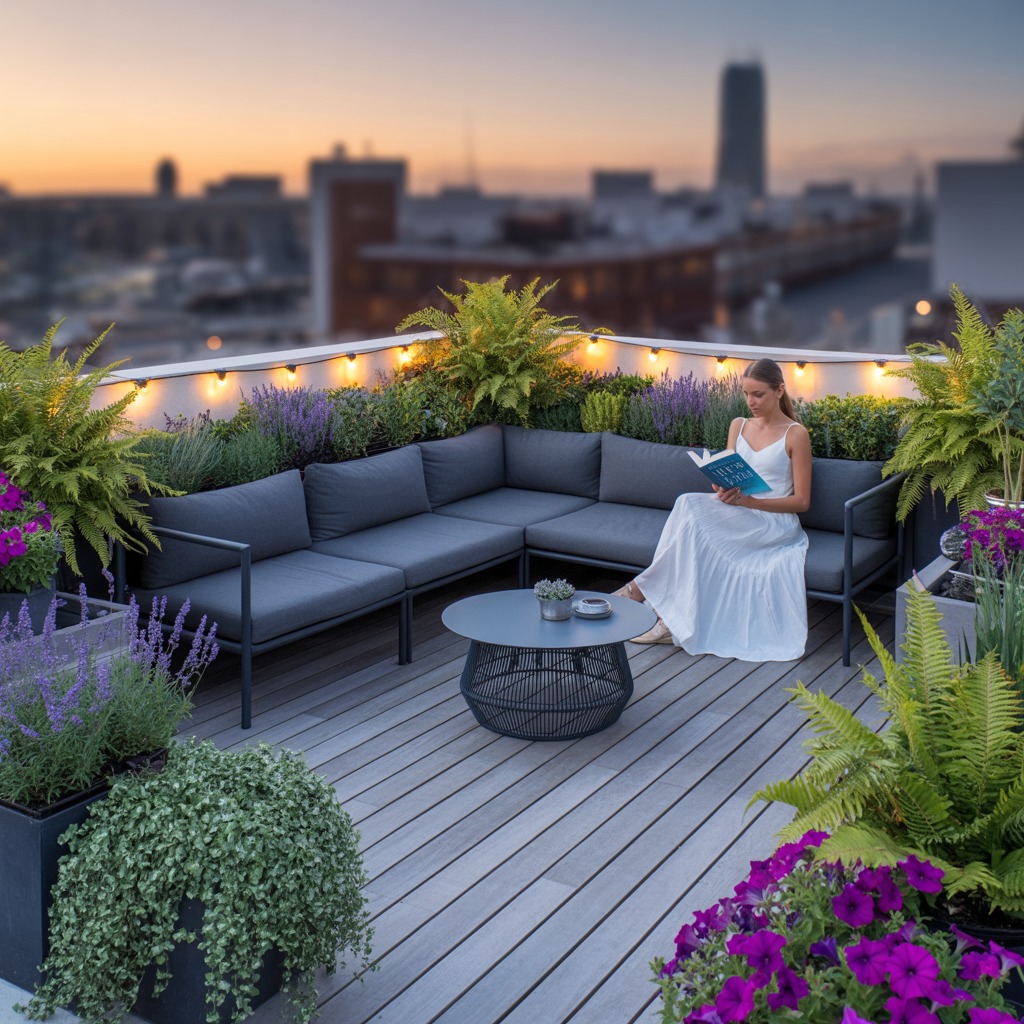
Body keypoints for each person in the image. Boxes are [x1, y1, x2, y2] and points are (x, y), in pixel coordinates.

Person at [614, 358, 812, 661]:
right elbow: (731, 471)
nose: (751, 402)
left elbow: (802, 502)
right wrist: (722, 486)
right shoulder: (738, 425)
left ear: (779, 391)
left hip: (772, 522)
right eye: (746, 394)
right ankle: (660, 607)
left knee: (695, 522)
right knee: (687, 503)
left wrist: (750, 502)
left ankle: (644, 596)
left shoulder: (796, 434)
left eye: (758, 394)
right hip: (738, 509)